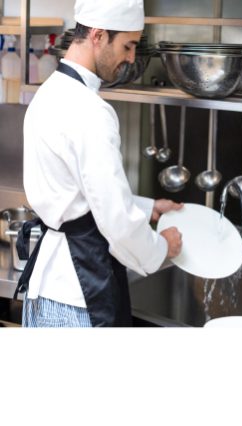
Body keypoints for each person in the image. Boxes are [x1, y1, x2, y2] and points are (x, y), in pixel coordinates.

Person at [16, 0, 183, 327]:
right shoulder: (91, 112)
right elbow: (117, 222)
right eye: (128, 45)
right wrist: (162, 247)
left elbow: (75, 196)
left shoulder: (49, 92)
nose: (132, 58)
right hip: (77, 298)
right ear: (97, 35)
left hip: (44, 292)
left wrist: (146, 206)